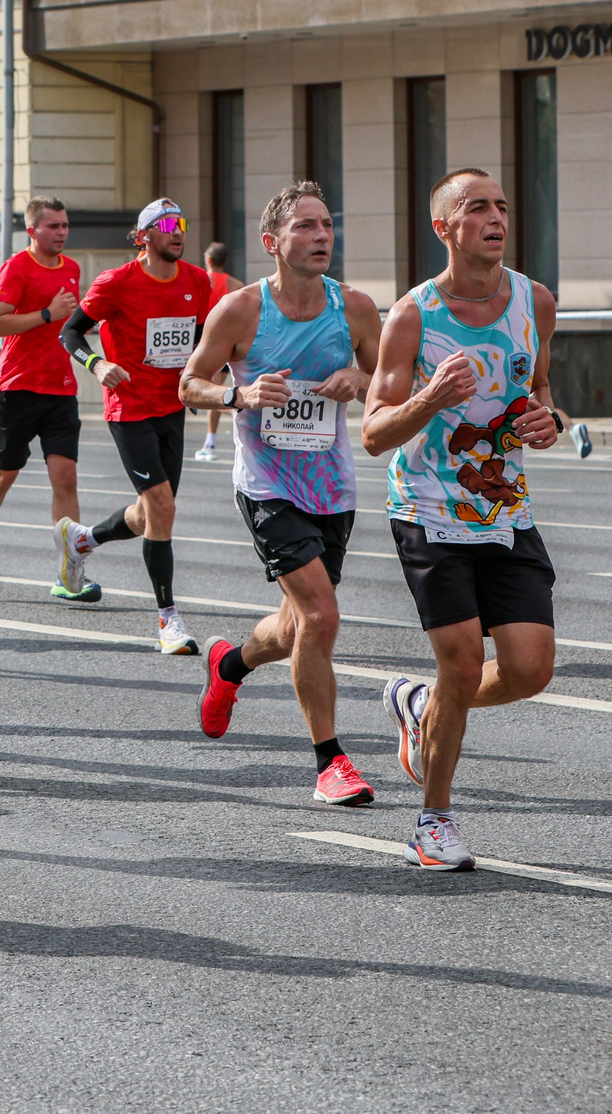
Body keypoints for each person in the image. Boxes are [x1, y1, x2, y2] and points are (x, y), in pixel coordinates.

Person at [362, 169, 562, 872]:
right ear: (444, 228)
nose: (495, 216)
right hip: (426, 507)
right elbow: (375, 431)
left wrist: (550, 419)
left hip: (504, 507)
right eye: (476, 207)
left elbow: (537, 387)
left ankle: (422, 708)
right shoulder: (413, 316)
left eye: (502, 205)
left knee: (532, 669)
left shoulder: (534, 300)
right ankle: (433, 820)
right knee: (461, 663)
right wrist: (432, 396)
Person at [181, 182, 382, 807]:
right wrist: (237, 395)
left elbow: (392, 383)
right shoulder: (241, 310)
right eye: (305, 227)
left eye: (326, 225)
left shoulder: (354, 308)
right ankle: (331, 763)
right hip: (267, 484)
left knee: (299, 629)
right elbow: (189, 385)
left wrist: (361, 375)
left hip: (332, 485)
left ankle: (229, 665)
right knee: (322, 616)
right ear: (273, 243)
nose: (322, 236)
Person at [55, 200, 213, 654]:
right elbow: (71, 333)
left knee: (151, 515)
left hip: (173, 406)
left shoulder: (196, 281)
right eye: (165, 225)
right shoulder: (116, 282)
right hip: (130, 409)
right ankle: (168, 620)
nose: (177, 232)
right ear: (142, 236)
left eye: (181, 223)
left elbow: (201, 337)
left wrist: (207, 376)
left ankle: (82, 539)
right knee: (162, 508)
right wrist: (97, 362)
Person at [0, 197, 84, 596]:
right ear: (32, 231)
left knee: (65, 478)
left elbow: (72, 326)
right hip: (17, 387)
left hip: (61, 388)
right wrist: (47, 314)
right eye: (53, 226)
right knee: (6, 473)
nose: (61, 233)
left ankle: (69, 574)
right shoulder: (16, 267)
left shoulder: (72, 268)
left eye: (65, 225)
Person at [195, 241, 238, 461]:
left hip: (210, 346)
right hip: (235, 347)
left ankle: (236, 410)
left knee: (213, 394)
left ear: (209, 260)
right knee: (218, 390)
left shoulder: (201, 281)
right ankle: (209, 443)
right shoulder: (235, 284)